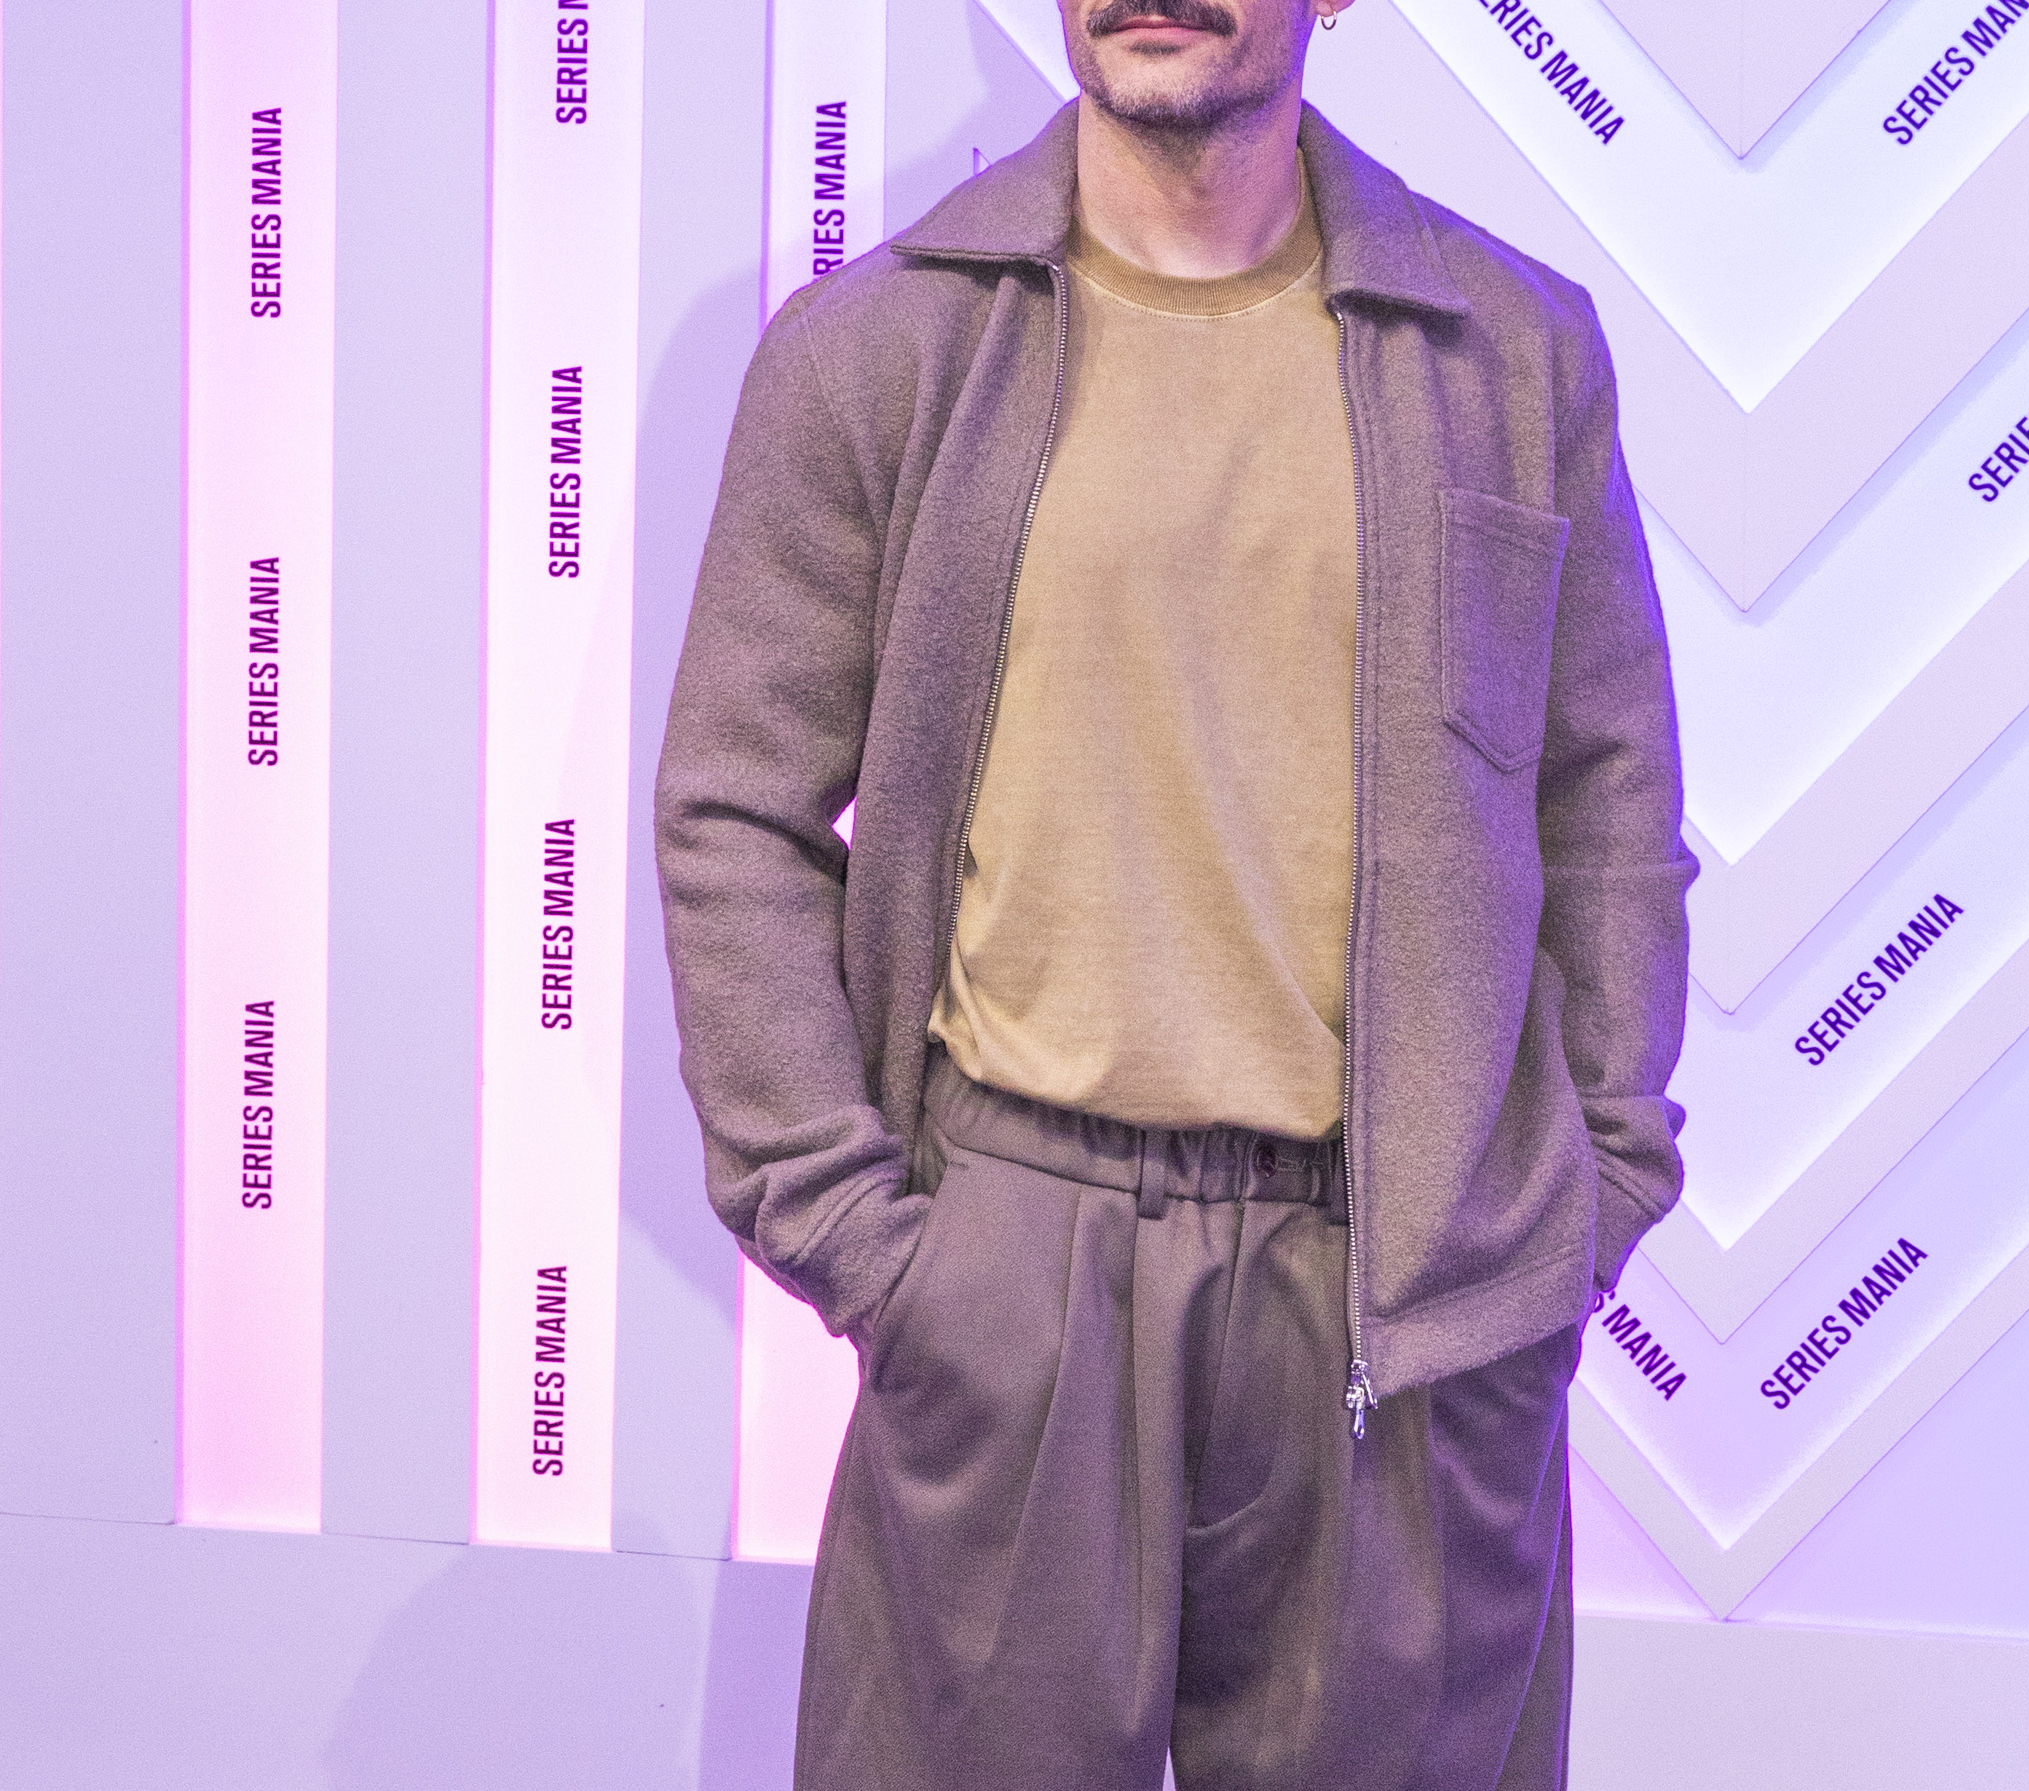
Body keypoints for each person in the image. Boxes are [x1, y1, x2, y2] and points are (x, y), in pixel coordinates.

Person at [655, 1, 1695, 1784]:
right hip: (1015, 1261)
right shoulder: (880, 347)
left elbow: (1611, 804)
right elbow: (735, 809)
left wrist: (1588, 1189)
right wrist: (867, 1242)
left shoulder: (1513, 351)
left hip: (1404, 1299)